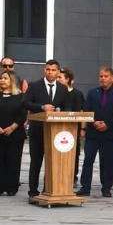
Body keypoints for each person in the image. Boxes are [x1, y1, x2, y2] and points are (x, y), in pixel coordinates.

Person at [24, 59, 70, 201]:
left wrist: (59, 111)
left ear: (58, 71)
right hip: (37, 130)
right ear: (44, 70)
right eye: (48, 69)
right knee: (36, 161)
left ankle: (48, 189)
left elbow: (67, 106)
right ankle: (33, 191)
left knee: (52, 161)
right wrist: (42, 107)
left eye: (53, 70)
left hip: (55, 131)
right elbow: (25, 103)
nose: (50, 72)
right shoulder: (34, 86)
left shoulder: (62, 88)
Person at [76, 68, 113, 198]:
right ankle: (85, 187)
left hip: (109, 134)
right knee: (88, 160)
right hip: (93, 133)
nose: (103, 78)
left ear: (111, 78)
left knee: (107, 161)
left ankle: (106, 188)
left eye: (105, 76)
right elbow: (87, 110)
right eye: (101, 76)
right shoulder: (92, 93)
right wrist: (94, 122)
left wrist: (107, 124)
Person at [0, 71, 26, 196]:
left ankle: (12, 187)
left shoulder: (21, 97)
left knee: (13, 161)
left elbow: (23, 114)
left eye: (5, 78)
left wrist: (12, 127)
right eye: (1, 78)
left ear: (12, 81)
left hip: (15, 134)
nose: (2, 80)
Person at [59, 68, 85, 188]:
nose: (58, 79)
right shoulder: (57, 93)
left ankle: (73, 177)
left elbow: (81, 112)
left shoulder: (77, 94)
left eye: (60, 77)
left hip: (73, 129)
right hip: (58, 129)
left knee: (74, 154)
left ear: (68, 79)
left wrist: (82, 129)